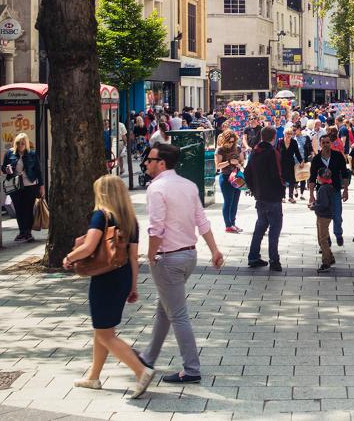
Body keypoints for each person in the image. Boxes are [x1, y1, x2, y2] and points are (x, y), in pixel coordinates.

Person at [139, 143, 225, 383]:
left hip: (168, 258)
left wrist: (151, 254)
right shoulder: (189, 186)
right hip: (189, 256)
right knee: (164, 309)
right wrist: (215, 250)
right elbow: (202, 221)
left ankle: (191, 369)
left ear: (162, 163)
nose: (146, 162)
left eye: (150, 159)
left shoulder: (156, 189)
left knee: (176, 314)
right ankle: (148, 358)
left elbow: (156, 228)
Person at [63, 175, 154, 398]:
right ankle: (93, 377)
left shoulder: (101, 216)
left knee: (105, 333)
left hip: (105, 278)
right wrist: (133, 286)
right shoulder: (131, 220)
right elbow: (134, 258)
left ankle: (140, 370)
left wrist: (69, 257)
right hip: (122, 277)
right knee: (103, 329)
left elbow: (89, 246)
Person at [245, 127, 286, 272]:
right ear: (274, 136)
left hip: (260, 196)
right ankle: (274, 260)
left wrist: (253, 189)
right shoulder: (272, 152)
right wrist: (282, 189)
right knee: (274, 229)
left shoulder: (255, 152)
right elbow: (277, 174)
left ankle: (253, 257)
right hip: (273, 196)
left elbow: (247, 172)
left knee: (260, 227)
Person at [308, 133, 350, 246]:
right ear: (320, 144)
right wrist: (311, 194)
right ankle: (326, 238)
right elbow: (312, 177)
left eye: (328, 142)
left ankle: (338, 234)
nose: (326, 145)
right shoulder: (316, 159)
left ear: (330, 143)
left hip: (335, 190)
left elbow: (344, 174)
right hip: (322, 192)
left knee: (337, 215)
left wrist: (346, 190)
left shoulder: (337, 156)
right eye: (323, 143)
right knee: (323, 216)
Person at [1, 133, 44, 242]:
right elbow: (3, 168)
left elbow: (38, 171)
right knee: (19, 210)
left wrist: (41, 186)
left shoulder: (32, 154)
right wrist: (7, 169)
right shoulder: (10, 153)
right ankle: (22, 232)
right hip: (15, 186)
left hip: (30, 185)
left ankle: (28, 232)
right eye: (18, 143)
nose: (21, 145)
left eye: (23, 143)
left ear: (27, 144)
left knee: (28, 209)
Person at [214, 130, 244, 233]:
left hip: (237, 177)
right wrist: (229, 162)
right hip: (226, 177)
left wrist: (240, 164)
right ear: (224, 140)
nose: (231, 144)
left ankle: (233, 224)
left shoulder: (238, 148)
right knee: (228, 201)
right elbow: (217, 166)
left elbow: (242, 161)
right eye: (229, 141)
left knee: (235, 202)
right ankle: (228, 225)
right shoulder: (220, 150)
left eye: (233, 141)